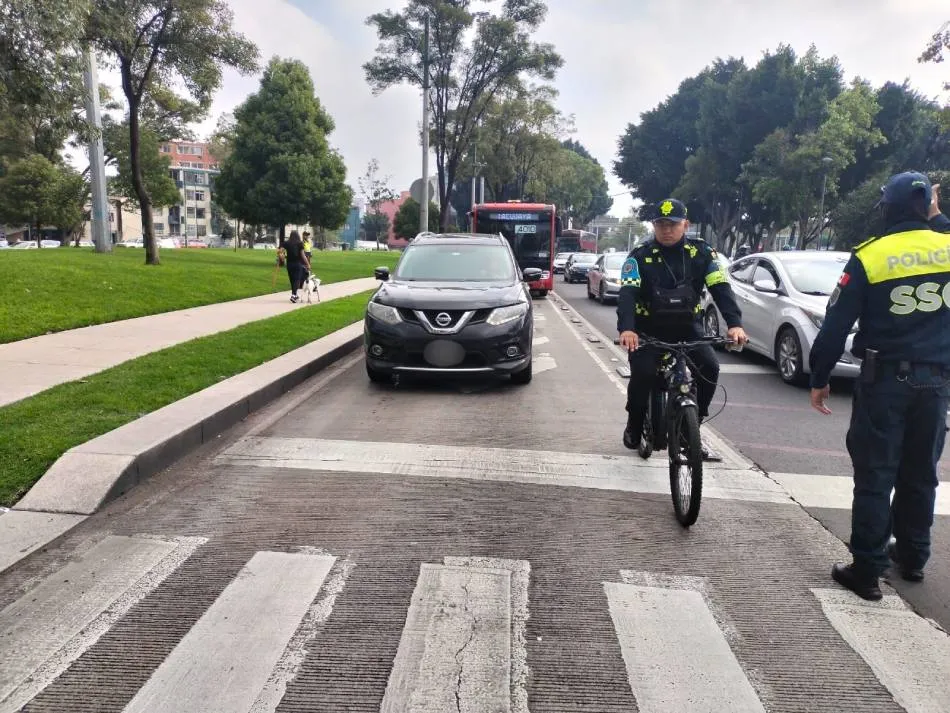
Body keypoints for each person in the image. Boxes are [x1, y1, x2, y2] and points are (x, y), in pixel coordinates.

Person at [810, 173, 950, 600]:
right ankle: (912, 558)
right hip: (938, 384)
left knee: (875, 474)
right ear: (926, 205)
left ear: (886, 208)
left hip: (886, 380)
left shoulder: (872, 255)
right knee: (920, 473)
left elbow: (835, 325)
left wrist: (819, 378)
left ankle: (867, 569)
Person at [617, 198, 749, 460]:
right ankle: (634, 423)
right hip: (648, 331)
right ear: (654, 226)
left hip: (688, 328)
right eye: (661, 224)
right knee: (642, 374)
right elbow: (628, 294)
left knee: (710, 367)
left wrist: (734, 324)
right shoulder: (639, 257)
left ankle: (693, 427)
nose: (666, 229)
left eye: (673, 224)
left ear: (686, 225)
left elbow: (721, 288)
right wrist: (628, 329)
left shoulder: (702, 254)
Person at [285, 230, 311, 303]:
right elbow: (303, 255)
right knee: (297, 280)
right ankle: (293, 295)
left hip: (289, 265)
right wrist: (308, 264)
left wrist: (281, 256)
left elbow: (281, 251)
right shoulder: (300, 243)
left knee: (292, 280)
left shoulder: (287, 243)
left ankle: (294, 295)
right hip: (297, 264)